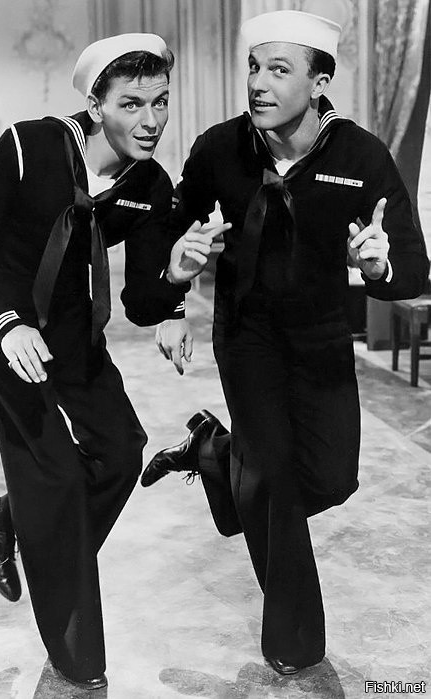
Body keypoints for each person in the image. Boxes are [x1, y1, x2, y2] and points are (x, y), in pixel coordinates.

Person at [142, 10, 429, 676]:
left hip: (321, 335)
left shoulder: (360, 155)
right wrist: (172, 299)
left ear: (320, 80)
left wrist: (380, 266)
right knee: (274, 480)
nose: (258, 83)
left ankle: (217, 455)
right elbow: (167, 233)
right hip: (245, 334)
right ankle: (296, 643)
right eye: (253, 67)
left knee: (331, 478)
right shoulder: (220, 149)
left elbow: (413, 269)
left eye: (278, 69)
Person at [0, 33, 227, 690]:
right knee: (57, 477)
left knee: (122, 450)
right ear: (96, 106)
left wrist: (177, 279)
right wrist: (7, 322)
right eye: (132, 104)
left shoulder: (149, 184)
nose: (151, 120)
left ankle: (7, 518)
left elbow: (141, 300)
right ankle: (79, 661)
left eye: (160, 102)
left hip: (73, 332)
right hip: (8, 329)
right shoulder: (28, 146)